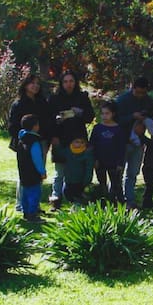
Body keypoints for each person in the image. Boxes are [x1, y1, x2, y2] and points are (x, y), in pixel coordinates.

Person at [48, 70, 95, 209]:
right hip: (60, 137)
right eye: (66, 81)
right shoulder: (54, 98)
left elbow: (90, 117)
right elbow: (49, 119)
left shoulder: (82, 97)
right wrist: (54, 132)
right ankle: (56, 198)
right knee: (60, 170)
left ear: (76, 83)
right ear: (61, 83)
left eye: (71, 81)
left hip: (78, 138)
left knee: (78, 169)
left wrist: (80, 113)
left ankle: (76, 197)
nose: (69, 84)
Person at [8, 74, 52, 212]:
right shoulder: (19, 104)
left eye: (38, 83)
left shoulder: (42, 102)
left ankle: (34, 205)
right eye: (32, 83)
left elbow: (48, 122)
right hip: (25, 144)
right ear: (26, 85)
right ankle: (21, 204)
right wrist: (23, 139)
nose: (35, 86)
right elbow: (12, 126)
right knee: (25, 174)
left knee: (38, 173)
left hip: (41, 142)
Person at [115, 77, 153, 208]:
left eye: (143, 93)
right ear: (133, 88)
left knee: (132, 173)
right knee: (118, 173)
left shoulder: (148, 102)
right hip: (122, 141)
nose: (140, 95)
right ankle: (116, 199)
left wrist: (143, 125)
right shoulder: (122, 100)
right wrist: (132, 117)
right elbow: (115, 120)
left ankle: (130, 200)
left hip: (139, 141)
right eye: (137, 92)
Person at [90, 101, 127, 203]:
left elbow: (121, 147)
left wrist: (120, 163)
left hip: (114, 162)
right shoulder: (97, 128)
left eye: (107, 113)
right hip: (100, 161)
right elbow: (92, 145)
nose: (104, 116)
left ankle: (118, 203)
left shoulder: (118, 129)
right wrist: (95, 159)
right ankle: (103, 202)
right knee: (102, 183)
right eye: (102, 113)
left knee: (116, 184)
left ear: (113, 114)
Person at [16, 114, 47, 222]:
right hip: (33, 172)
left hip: (23, 171)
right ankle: (32, 214)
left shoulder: (21, 139)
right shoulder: (34, 141)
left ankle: (26, 212)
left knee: (25, 193)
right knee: (34, 193)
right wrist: (42, 171)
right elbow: (37, 158)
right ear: (35, 126)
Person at [62, 137, 94, 204]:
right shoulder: (67, 151)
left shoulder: (87, 153)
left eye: (82, 142)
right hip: (68, 181)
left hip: (81, 182)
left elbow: (89, 169)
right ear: (72, 142)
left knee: (79, 198)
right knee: (67, 194)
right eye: (77, 142)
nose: (79, 144)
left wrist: (86, 182)